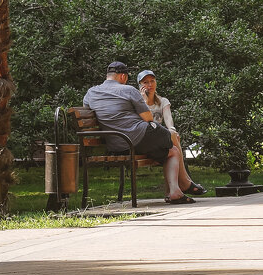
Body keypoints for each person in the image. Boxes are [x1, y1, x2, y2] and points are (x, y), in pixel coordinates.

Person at [83, 61, 205, 204]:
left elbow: (89, 110)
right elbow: (148, 118)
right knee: (172, 139)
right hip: (137, 137)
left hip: (115, 144)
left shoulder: (91, 93)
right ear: (123, 77)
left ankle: (177, 190)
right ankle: (182, 185)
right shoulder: (128, 90)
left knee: (173, 151)